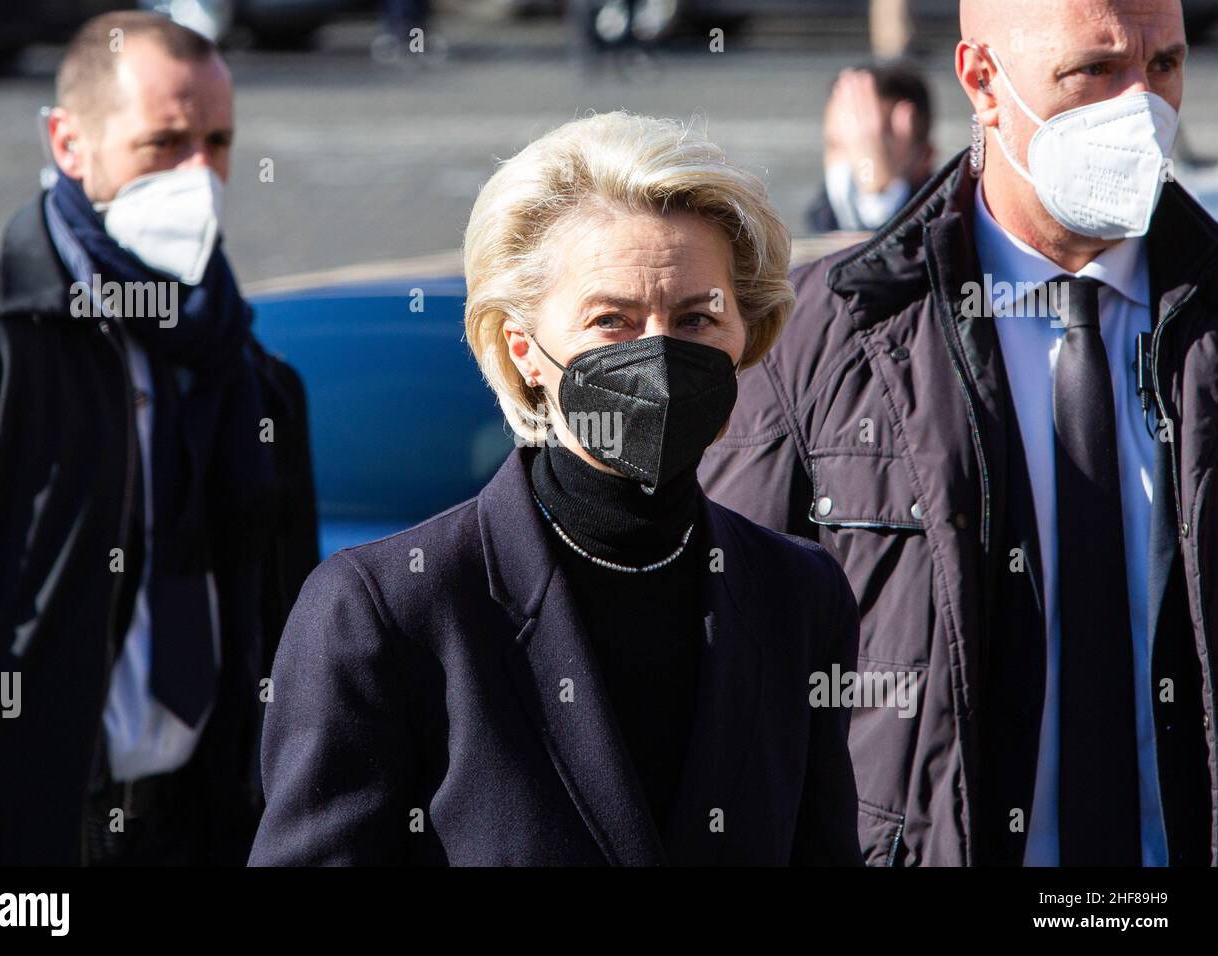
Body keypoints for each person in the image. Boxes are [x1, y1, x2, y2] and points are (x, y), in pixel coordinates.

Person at [249, 112, 864, 866]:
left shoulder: (796, 595)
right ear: (524, 351)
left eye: (696, 318)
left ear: (748, 335)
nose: (659, 354)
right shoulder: (389, 610)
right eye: (611, 320)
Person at [701, 0, 1216, 866]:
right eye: (1093, 73)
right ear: (982, 81)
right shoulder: (824, 336)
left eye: (1164, 67)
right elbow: (726, 669)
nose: (1140, 108)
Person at [0, 12, 318, 865]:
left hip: (199, 830)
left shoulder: (249, 371)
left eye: (217, 142)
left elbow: (292, 637)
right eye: (164, 144)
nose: (198, 175)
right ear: (69, 143)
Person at [806, 63, 936, 234]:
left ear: (924, 157)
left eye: (873, 145)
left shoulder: (945, 221)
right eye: (836, 145)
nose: (854, 157)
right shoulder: (817, 220)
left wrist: (877, 196)